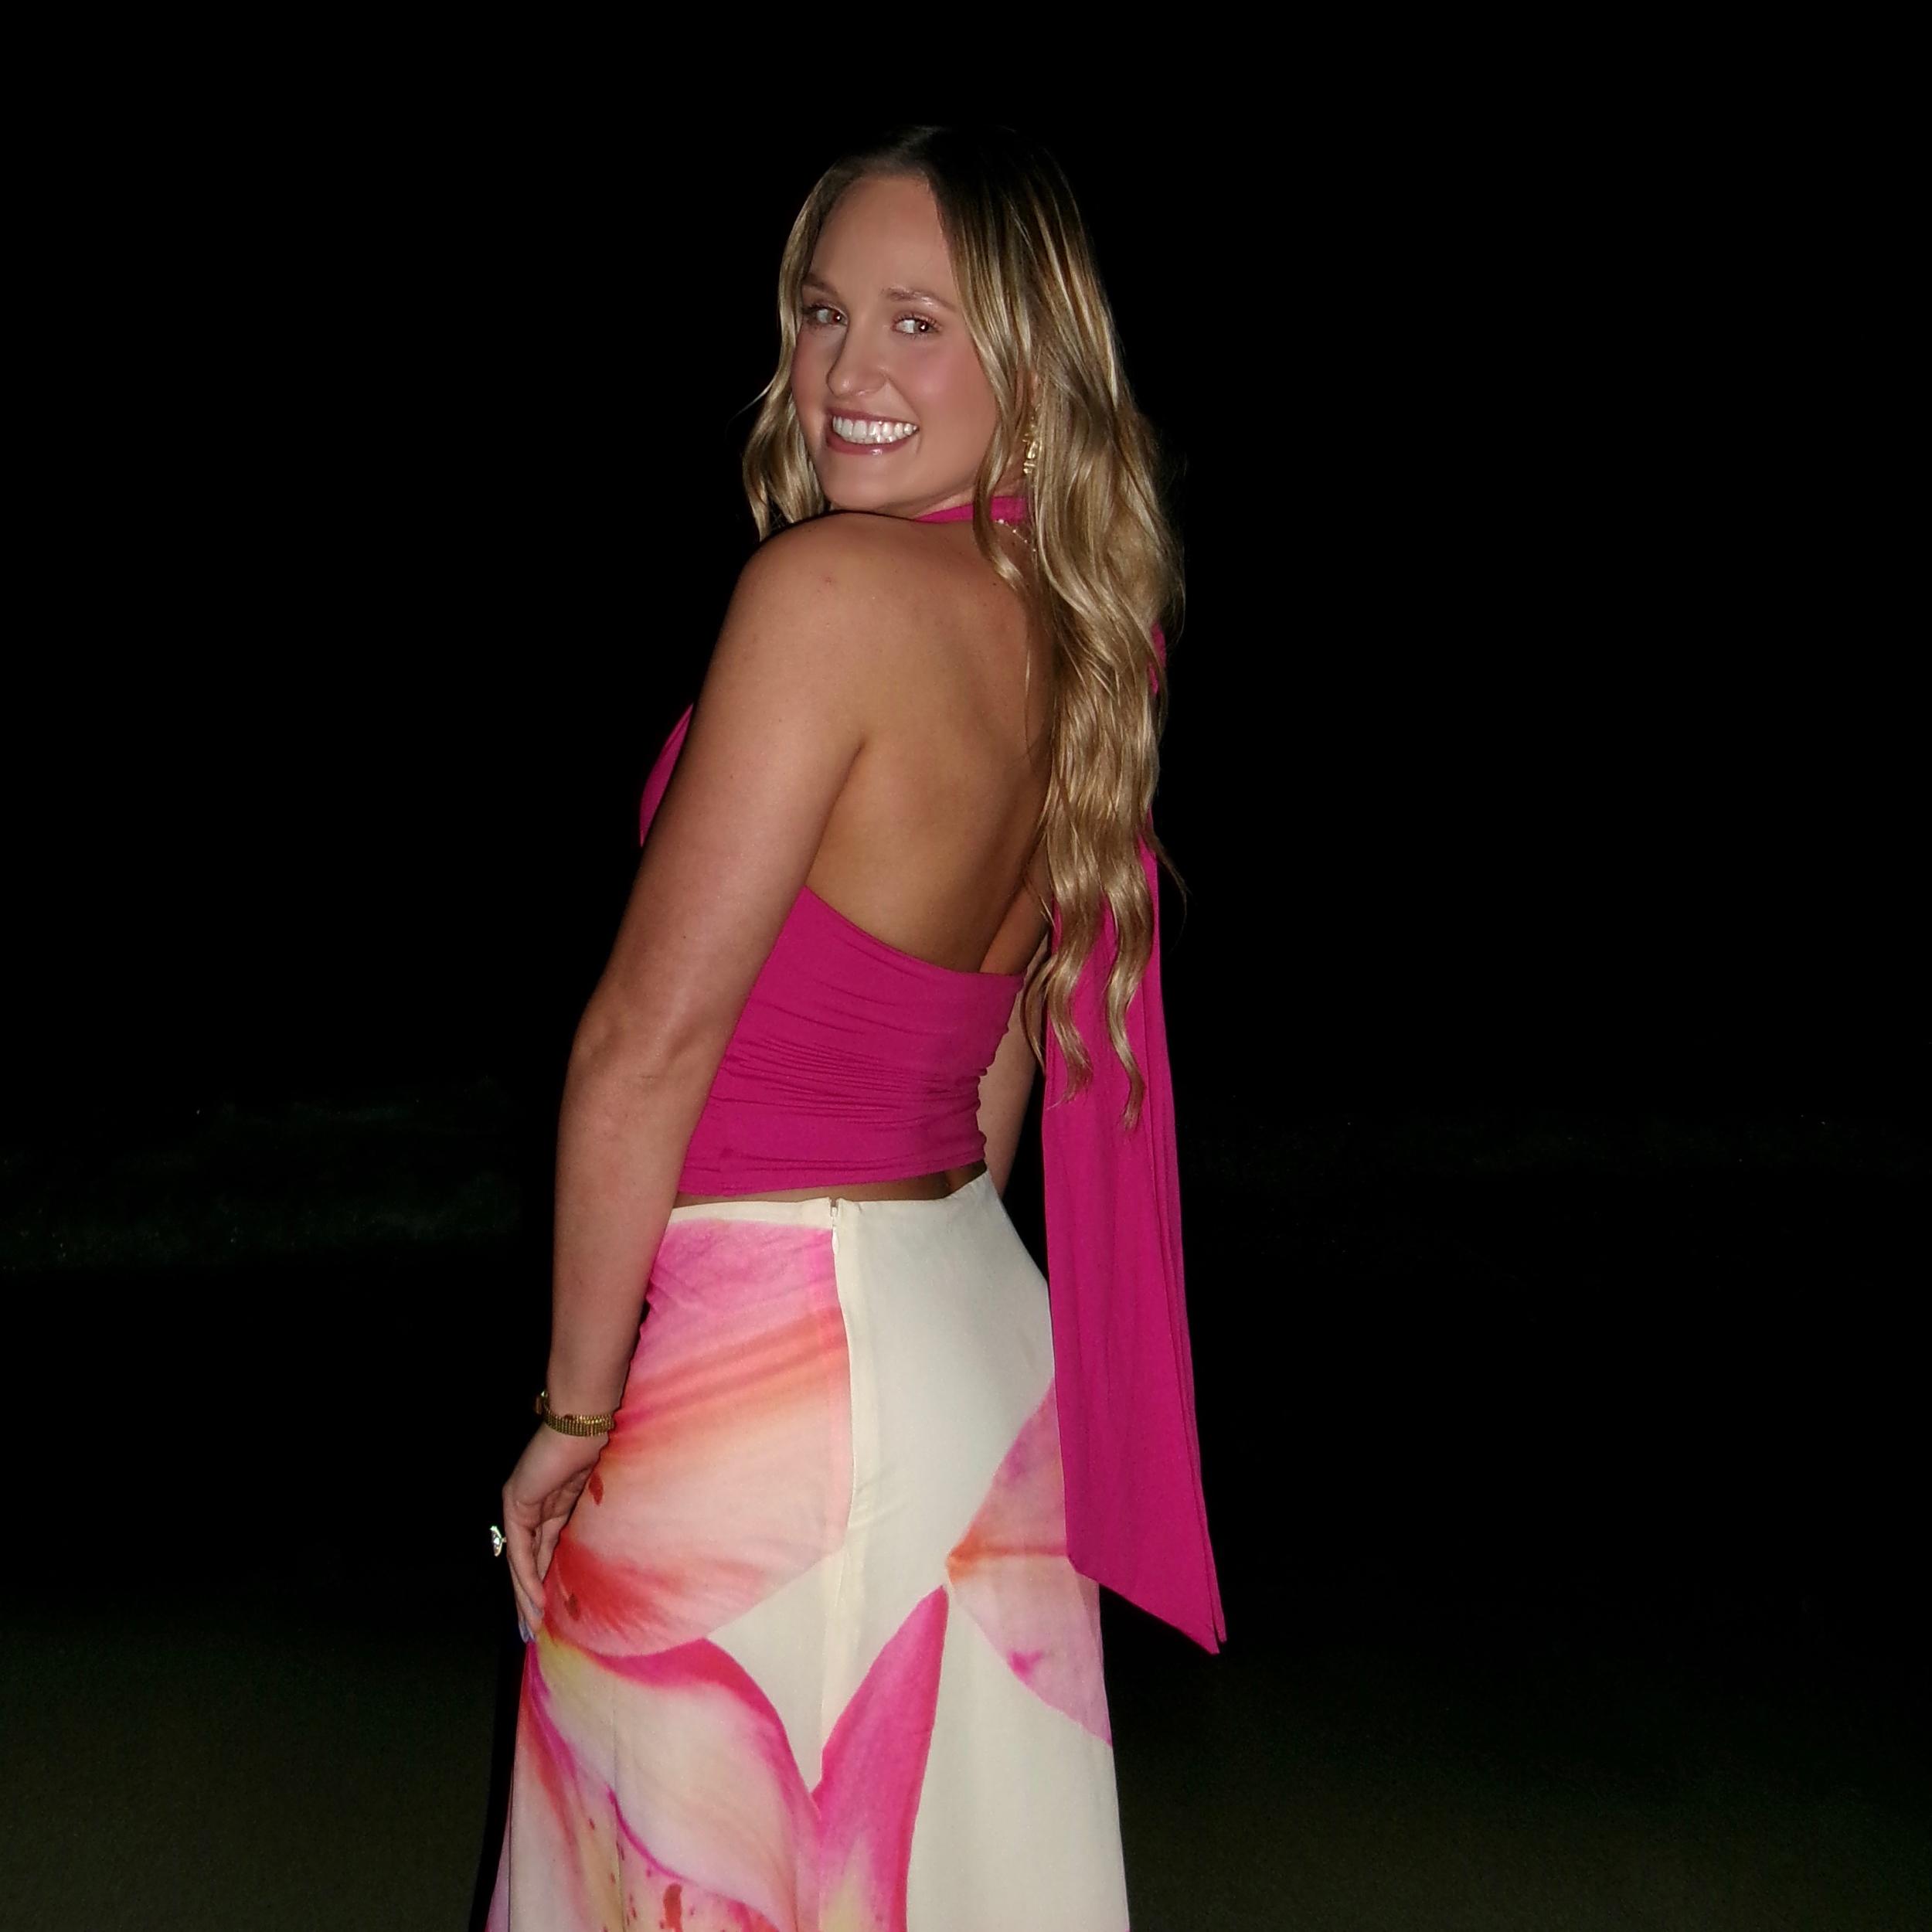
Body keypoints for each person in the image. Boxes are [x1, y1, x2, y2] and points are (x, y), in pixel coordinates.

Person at [483, 123, 1225, 1931]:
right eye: (822, 313)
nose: (847, 371)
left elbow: (639, 1048)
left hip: (771, 1376)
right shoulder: (1078, 634)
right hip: (964, 1322)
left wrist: (573, 1405)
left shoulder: (819, 596)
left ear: (1028, 358)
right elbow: (995, 1069)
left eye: (916, 321)